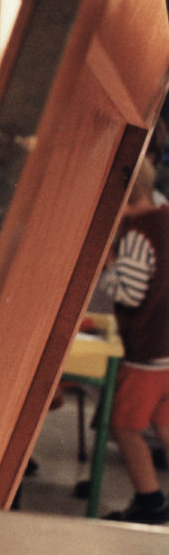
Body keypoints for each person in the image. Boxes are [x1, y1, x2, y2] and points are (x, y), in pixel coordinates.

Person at [100, 154, 169, 523]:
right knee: (165, 422)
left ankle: (149, 499)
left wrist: (109, 264)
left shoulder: (137, 234)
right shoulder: (164, 217)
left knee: (124, 427)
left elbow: (129, 292)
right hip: (166, 349)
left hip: (146, 352)